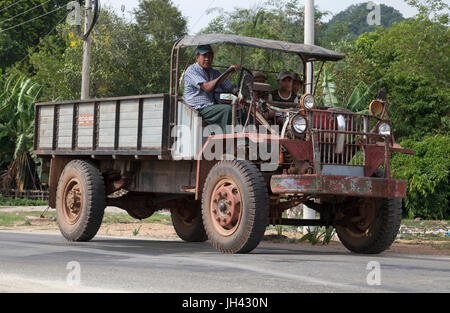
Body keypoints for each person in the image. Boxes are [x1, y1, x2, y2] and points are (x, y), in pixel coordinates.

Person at [184, 45, 242, 133]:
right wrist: (227, 72)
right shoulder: (191, 70)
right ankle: (225, 143)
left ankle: (247, 142)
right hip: (198, 109)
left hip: (212, 107)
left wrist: (240, 94)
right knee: (228, 110)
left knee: (242, 111)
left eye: (210, 56)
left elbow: (230, 87)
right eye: (205, 56)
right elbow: (207, 87)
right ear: (197, 57)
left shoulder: (215, 73)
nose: (207, 59)